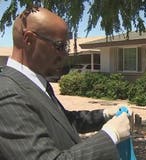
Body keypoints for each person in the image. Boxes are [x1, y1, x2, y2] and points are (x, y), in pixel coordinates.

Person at [0, 7, 131, 160]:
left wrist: (105, 115)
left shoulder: (37, 83)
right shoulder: (8, 94)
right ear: (29, 39)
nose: (65, 54)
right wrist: (110, 136)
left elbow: (65, 121)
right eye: (60, 46)